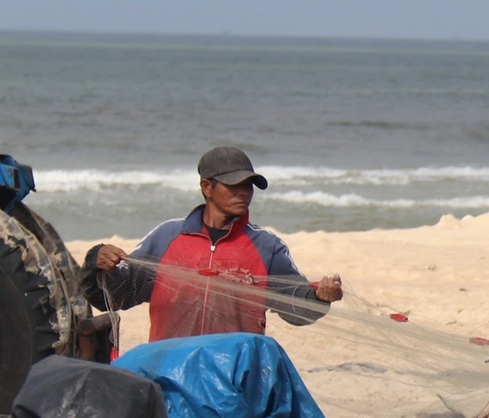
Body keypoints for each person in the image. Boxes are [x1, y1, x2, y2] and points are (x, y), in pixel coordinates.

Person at [89, 146, 344, 341]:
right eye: (234, 185)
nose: (244, 192)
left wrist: (320, 298)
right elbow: (116, 296)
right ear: (206, 187)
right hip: (172, 372)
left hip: (235, 378)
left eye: (249, 185)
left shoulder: (267, 247)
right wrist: (96, 261)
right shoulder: (166, 238)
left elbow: (295, 307)